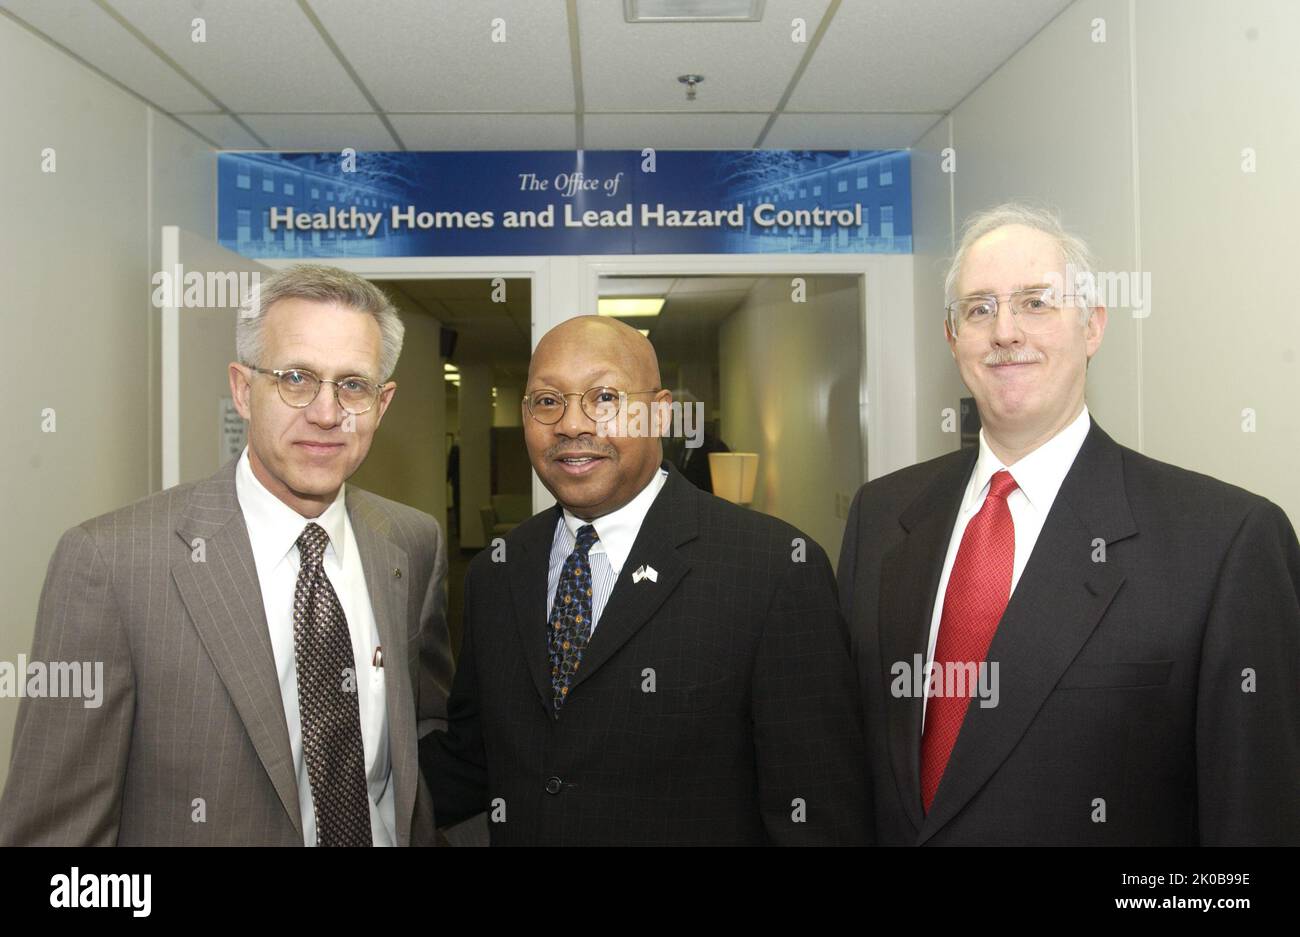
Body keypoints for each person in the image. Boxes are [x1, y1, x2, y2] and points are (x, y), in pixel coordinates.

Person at [837, 202, 1300, 845]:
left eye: (1035, 303)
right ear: (953, 339)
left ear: (1092, 327)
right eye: (979, 309)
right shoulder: (882, 517)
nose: (1004, 331)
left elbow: (1254, 821)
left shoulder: (1226, 541)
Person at [0, 264, 453, 846]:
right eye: (296, 378)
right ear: (243, 389)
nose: (325, 412)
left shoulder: (412, 543)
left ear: (381, 403)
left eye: (353, 385)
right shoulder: (111, 565)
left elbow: (428, 744)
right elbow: (55, 836)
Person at [422, 316, 868, 845]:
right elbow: (476, 757)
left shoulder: (773, 571)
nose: (571, 424)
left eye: (604, 397)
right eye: (546, 401)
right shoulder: (497, 570)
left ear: (659, 413)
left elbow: (818, 813)